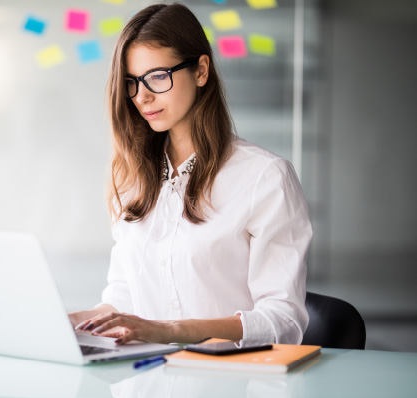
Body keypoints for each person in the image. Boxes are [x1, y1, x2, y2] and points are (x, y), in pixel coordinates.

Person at [70, 3, 312, 346]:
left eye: (157, 76)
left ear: (200, 71)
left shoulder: (265, 178)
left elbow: (283, 322)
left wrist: (169, 331)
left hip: (228, 388)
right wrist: (68, 321)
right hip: (143, 382)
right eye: (131, 82)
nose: (142, 96)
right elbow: (125, 296)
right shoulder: (133, 178)